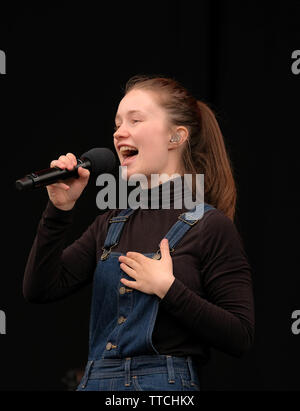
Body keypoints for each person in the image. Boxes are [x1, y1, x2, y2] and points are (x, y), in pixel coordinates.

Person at [23, 74, 255, 391]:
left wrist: (168, 288)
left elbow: (240, 335)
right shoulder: (111, 223)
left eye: (135, 120)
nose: (119, 133)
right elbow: (40, 289)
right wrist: (59, 210)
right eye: (118, 123)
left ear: (176, 136)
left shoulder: (210, 226)